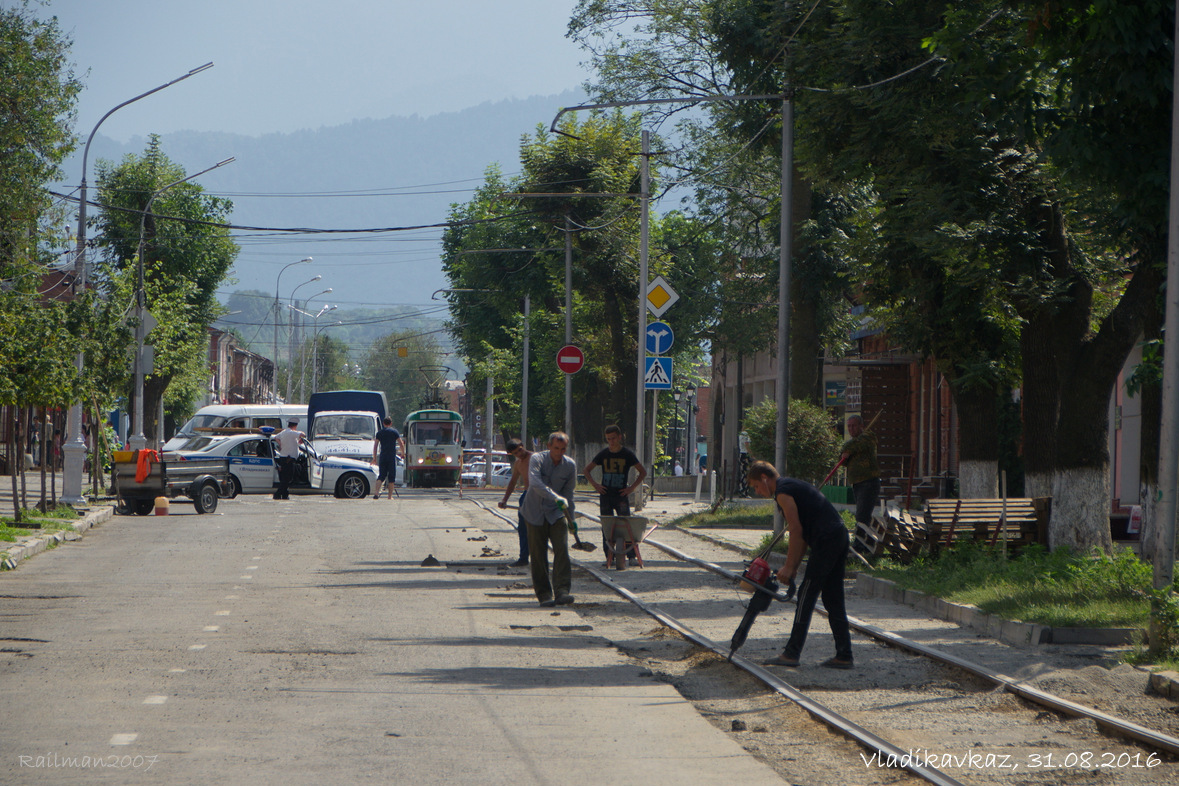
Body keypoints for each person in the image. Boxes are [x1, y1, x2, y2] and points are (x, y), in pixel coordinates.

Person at [747, 460, 853, 669]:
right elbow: (802, 534)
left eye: (756, 486)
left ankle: (791, 653)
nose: (758, 492)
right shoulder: (789, 486)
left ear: (764, 478)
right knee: (833, 597)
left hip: (827, 539)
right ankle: (844, 655)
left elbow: (795, 530)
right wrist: (792, 568)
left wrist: (788, 567)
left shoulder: (783, 493)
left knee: (807, 593)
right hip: (838, 535)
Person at [521, 432, 576, 607]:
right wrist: (555, 497)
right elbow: (535, 483)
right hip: (534, 512)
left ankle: (562, 591)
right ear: (549, 446)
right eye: (556, 448)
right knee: (538, 554)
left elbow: (568, 494)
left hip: (556, 513)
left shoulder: (570, 466)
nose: (559, 452)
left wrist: (571, 520)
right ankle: (544, 594)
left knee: (562, 550)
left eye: (563, 449)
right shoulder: (537, 459)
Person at [584, 425, 646, 563]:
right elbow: (586, 470)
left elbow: (642, 472)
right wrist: (596, 485)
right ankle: (609, 557)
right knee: (607, 526)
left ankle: (631, 556)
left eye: (613, 438)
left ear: (619, 437)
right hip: (605, 495)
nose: (611, 442)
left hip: (621, 495)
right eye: (608, 439)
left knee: (626, 525)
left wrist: (632, 488)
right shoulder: (603, 454)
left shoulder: (627, 454)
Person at [841, 414, 880, 531]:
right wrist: (844, 455)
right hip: (857, 483)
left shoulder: (868, 437)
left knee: (862, 516)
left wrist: (847, 450)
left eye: (854, 426)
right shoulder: (853, 443)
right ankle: (861, 542)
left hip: (868, 482)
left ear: (861, 426)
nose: (851, 429)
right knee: (861, 514)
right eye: (849, 426)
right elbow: (843, 460)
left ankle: (861, 544)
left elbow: (855, 445)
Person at [497, 439, 532, 568]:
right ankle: (523, 558)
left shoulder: (536, 458)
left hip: (541, 495)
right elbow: (512, 483)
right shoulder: (518, 464)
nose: (520, 453)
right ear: (513, 454)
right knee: (522, 528)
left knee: (543, 528)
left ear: (523, 446)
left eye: (520, 450)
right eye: (516, 453)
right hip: (527, 495)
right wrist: (504, 500)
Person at [372, 416, 403, 499]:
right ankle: (390, 496)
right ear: (391, 423)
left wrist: (374, 458)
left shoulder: (379, 433)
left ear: (383, 423)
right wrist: (403, 453)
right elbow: (401, 443)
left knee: (381, 476)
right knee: (391, 477)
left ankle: (376, 493)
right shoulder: (394, 432)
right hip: (391, 456)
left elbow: (375, 446)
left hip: (383, 456)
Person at [273, 419, 304, 500]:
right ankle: (277, 494)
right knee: (287, 478)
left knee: (285, 478)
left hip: (283, 457)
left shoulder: (283, 432)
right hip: (289, 459)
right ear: (295, 426)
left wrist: (280, 444)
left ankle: (284, 495)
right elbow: (303, 434)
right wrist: (301, 437)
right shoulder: (292, 433)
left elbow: (276, 437)